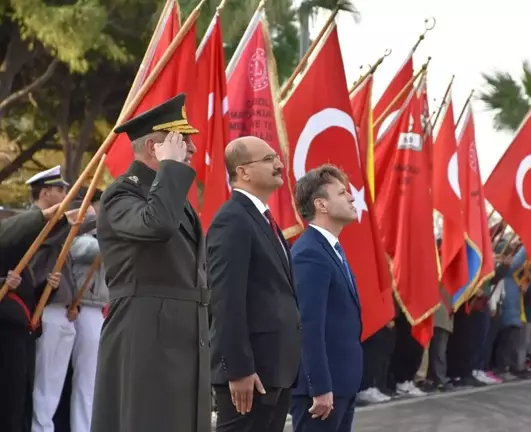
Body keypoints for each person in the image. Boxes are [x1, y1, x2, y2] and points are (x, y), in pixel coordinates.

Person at [91, 93, 211, 432]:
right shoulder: (121, 194)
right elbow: (155, 225)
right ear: (153, 149)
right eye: (181, 140)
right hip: (146, 332)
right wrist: (171, 167)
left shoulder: (173, 197)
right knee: (149, 421)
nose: (192, 149)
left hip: (182, 332)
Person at [207, 136, 301, 432]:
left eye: (277, 158)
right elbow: (225, 299)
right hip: (251, 373)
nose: (279, 165)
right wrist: (239, 369)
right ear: (243, 171)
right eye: (269, 159)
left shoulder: (263, 219)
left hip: (275, 369)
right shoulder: (233, 219)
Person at [289, 165, 363, 432]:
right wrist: (319, 387)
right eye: (342, 193)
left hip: (341, 384)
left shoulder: (331, 248)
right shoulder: (310, 253)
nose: (352, 198)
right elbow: (307, 325)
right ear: (321, 204)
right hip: (321, 392)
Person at [29, 167, 98, 432]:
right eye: (61, 190)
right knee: (43, 384)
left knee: (54, 383)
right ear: (44, 192)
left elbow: (89, 219)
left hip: (63, 311)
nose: (66, 194)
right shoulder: (34, 227)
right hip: (44, 310)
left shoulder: (54, 226)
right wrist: (42, 284)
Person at [0, 202, 66, 432]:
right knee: (7, 400)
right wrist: (3, 284)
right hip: (5, 339)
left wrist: (48, 289)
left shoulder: (21, 264)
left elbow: (30, 301)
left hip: (22, 339)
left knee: (21, 398)